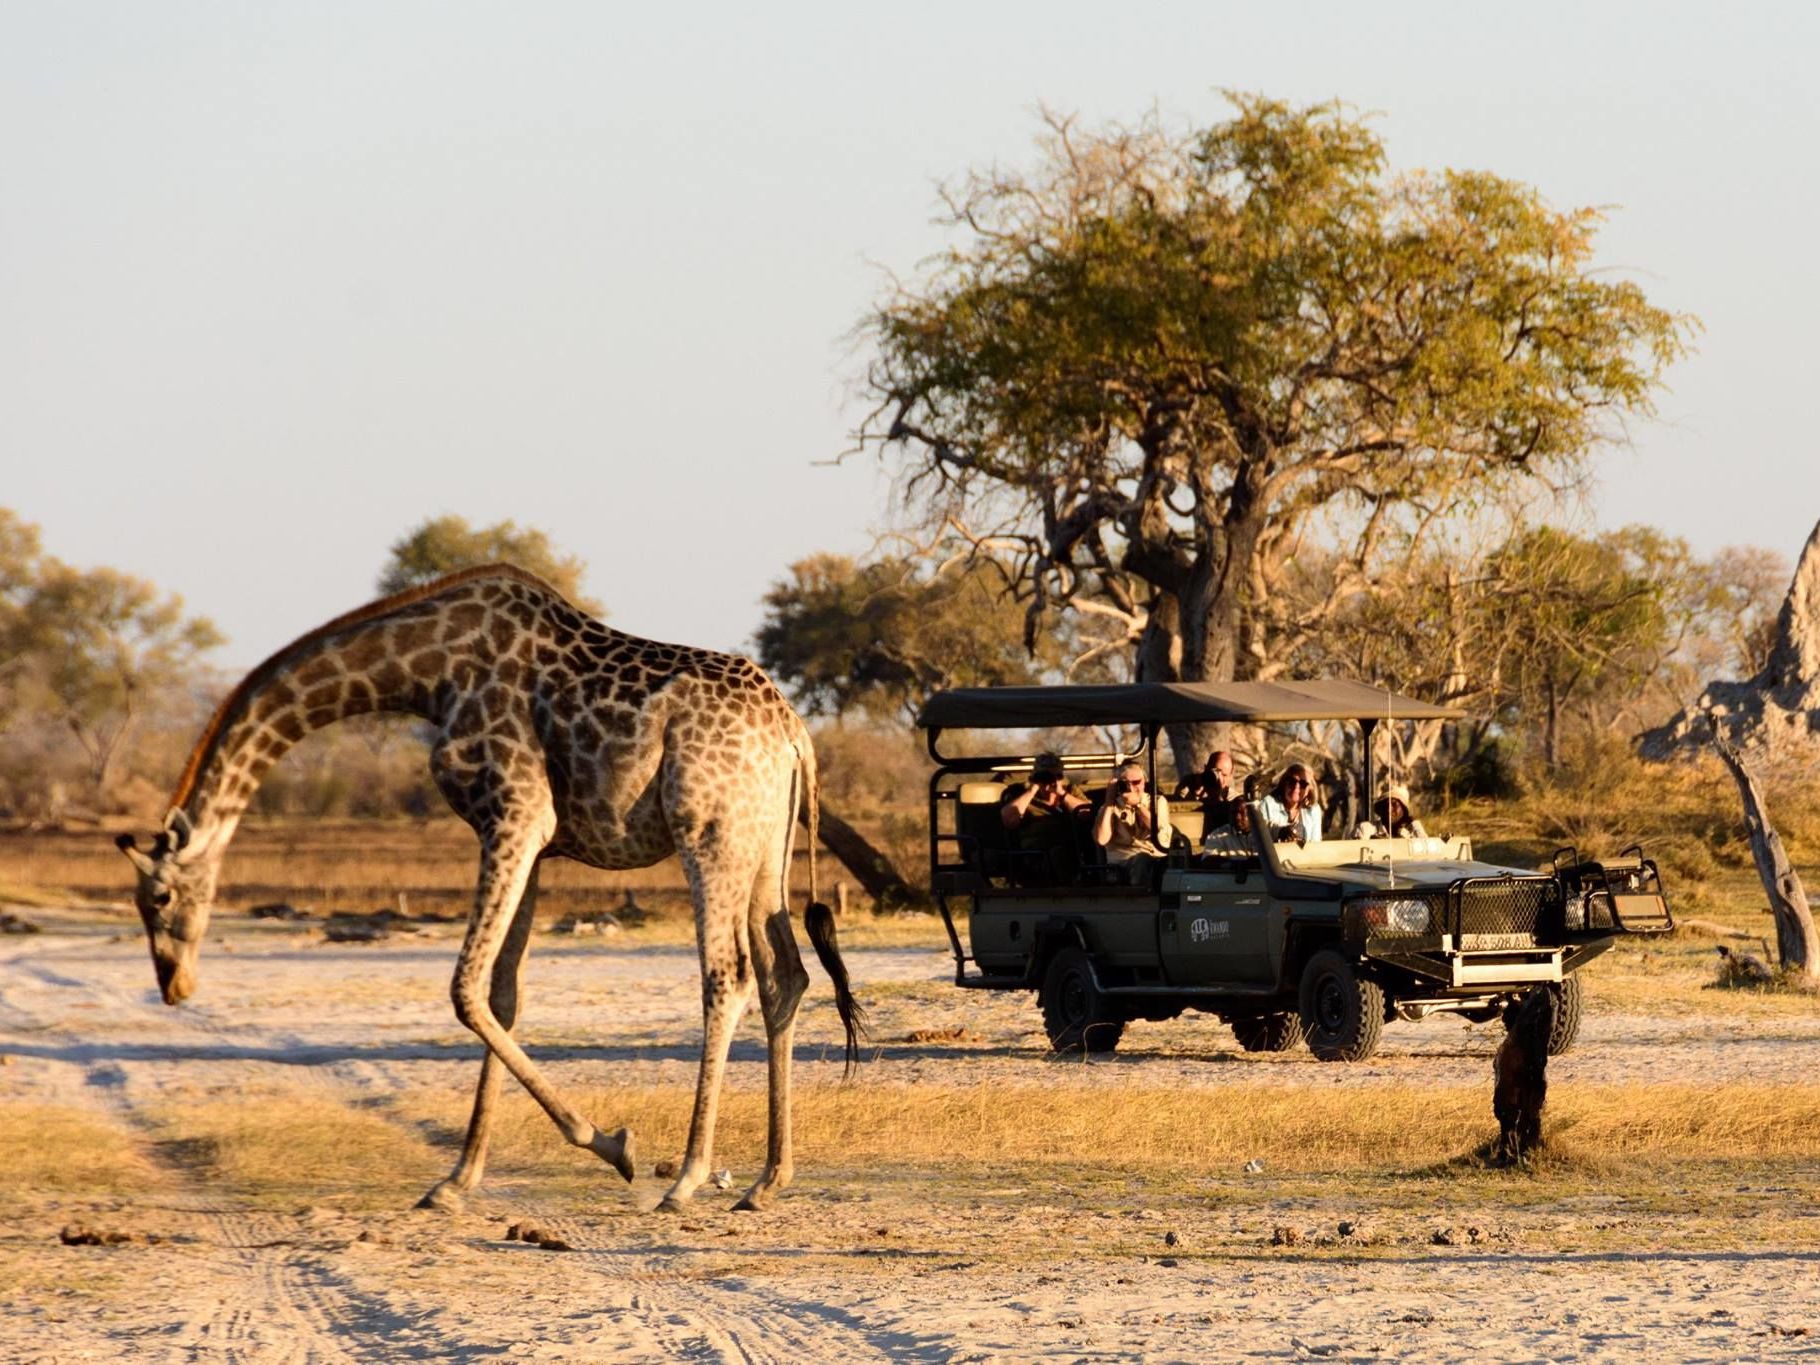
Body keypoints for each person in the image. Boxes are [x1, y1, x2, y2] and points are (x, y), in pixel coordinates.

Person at [1000, 752, 1092, 881]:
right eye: (1044, 775)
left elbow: (1087, 814)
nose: (1048, 780)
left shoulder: (1070, 790)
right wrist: (1032, 790)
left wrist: (1062, 794)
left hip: (1069, 851)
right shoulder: (1018, 792)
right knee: (1056, 855)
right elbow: (1009, 821)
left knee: (1064, 853)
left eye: (1055, 775)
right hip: (1035, 854)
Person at [1093, 760, 1173, 874]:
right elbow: (1101, 839)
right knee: (1141, 862)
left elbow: (1158, 829)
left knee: (1144, 861)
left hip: (1153, 857)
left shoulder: (1157, 802)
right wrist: (1109, 803)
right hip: (1122, 862)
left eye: (1136, 782)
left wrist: (1138, 805)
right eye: (1125, 784)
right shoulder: (1110, 807)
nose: (1131, 788)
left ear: (1144, 782)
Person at [1257, 763, 1323, 845]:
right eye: (1292, 781)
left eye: (1303, 784)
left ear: (1310, 790)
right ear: (1284, 783)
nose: (1296, 787)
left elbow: (1315, 844)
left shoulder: (1314, 810)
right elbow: (1260, 837)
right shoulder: (1267, 805)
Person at [1352, 783, 1428, 839]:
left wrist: (1412, 830)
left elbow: (1425, 856)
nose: (1389, 809)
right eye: (1385, 804)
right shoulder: (1365, 829)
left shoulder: (1412, 829)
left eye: (1394, 804)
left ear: (1403, 809)